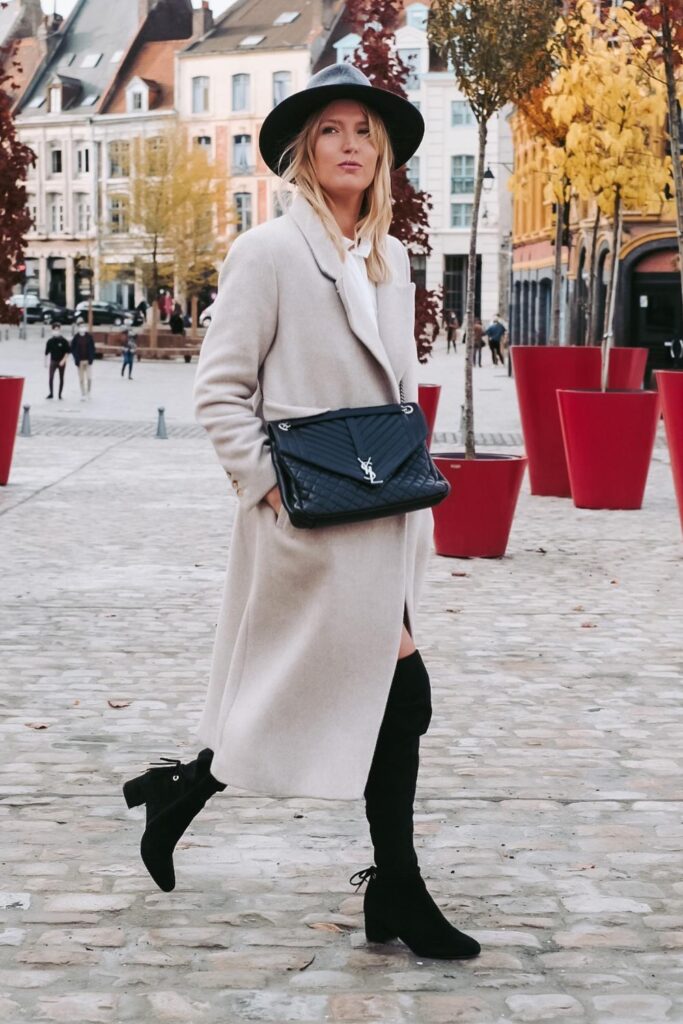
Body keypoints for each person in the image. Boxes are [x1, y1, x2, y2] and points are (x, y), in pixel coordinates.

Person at [122, 63, 480, 963]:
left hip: (385, 516)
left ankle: (186, 793)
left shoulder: (390, 256)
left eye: (364, 130)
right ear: (302, 151)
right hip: (310, 525)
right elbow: (219, 392)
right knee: (391, 697)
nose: (351, 144)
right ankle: (394, 889)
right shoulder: (271, 253)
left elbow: (394, 388)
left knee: (353, 699)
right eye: (331, 130)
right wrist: (273, 491)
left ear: (383, 150)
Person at [71, 318, 96, 400]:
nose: (82, 328)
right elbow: (73, 349)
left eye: (83, 326)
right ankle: (83, 393)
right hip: (80, 361)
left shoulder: (89, 337)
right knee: (81, 379)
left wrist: (91, 358)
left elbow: (92, 348)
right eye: (81, 326)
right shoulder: (76, 337)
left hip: (88, 360)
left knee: (89, 378)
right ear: (78, 328)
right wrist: (76, 359)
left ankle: (89, 392)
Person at [44, 321, 70, 400]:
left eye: (57, 329)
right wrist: (45, 362)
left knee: (61, 378)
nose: (56, 331)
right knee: (51, 377)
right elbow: (46, 353)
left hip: (61, 361)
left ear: (60, 330)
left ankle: (60, 394)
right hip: (53, 361)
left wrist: (63, 361)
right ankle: (51, 393)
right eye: (54, 329)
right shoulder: (50, 341)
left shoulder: (64, 341)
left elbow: (67, 352)